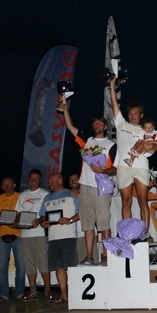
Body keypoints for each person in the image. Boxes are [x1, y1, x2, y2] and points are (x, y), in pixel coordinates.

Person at [60, 103, 116, 266]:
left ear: (105, 127)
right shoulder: (88, 141)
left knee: (103, 223)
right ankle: (89, 256)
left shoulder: (111, 146)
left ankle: (106, 255)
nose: (97, 125)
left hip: (102, 187)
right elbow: (70, 127)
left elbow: (115, 169)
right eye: (94, 123)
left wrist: (102, 170)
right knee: (87, 223)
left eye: (100, 123)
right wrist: (65, 110)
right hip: (85, 186)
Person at [109, 75, 157, 236]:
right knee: (126, 201)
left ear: (141, 115)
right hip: (124, 165)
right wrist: (112, 85)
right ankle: (128, 234)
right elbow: (114, 104)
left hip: (141, 166)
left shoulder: (147, 130)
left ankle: (144, 233)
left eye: (136, 114)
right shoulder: (121, 124)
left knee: (142, 200)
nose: (133, 116)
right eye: (130, 114)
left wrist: (151, 145)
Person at [39, 172, 79, 304]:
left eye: (53, 181)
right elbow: (42, 216)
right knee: (58, 267)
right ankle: (63, 295)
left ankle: (76, 295)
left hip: (68, 236)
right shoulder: (47, 197)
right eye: (49, 182)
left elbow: (83, 211)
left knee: (71, 267)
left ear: (60, 181)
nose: (50, 184)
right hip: (52, 237)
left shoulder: (71, 194)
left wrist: (70, 220)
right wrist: (43, 222)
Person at [16, 169, 51, 302]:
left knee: (43, 262)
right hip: (25, 234)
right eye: (31, 178)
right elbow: (18, 213)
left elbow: (48, 213)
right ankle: (33, 290)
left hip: (39, 233)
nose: (34, 180)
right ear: (28, 179)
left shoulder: (45, 194)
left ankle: (47, 288)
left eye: (36, 178)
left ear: (40, 180)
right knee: (29, 263)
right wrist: (16, 222)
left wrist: (39, 220)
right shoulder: (23, 195)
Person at [0, 176, 24, 302]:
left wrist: (16, 221)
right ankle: (3, 294)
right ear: (1, 187)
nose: (7, 187)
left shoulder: (20, 197)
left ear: (14, 185)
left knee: (21, 265)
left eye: (9, 184)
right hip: (3, 235)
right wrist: (0, 222)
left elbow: (23, 215)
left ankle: (20, 293)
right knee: (2, 266)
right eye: (4, 185)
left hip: (18, 235)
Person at [69, 173, 86, 263]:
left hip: (85, 233)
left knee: (91, 264)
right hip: (71, 236)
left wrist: (71, 220)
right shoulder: (66, 195)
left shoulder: (87, 193)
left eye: (75, 179)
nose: (73, 182)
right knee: (76, 265)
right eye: (71, 180)